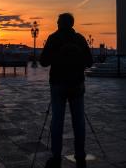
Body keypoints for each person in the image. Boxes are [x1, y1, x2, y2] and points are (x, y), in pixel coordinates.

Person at [40, 13, 93, 168]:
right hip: (77, 84)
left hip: (58, 84)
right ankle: (80, 156)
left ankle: (56, 157)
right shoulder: (80, 39)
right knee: (79, 122)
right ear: (71, 24)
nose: (56, 23)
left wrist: (56, 57)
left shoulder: (53, 38)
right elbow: (89, 62)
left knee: (57, 121)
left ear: (60, 24)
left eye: (57, 21)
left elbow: (43, 62)